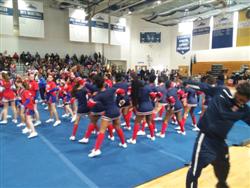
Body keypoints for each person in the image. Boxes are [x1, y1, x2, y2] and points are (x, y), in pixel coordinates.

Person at [186, 82, 250, 188]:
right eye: (240, 99)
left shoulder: (244, 110)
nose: (241, 103)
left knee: (224, 166)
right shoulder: (222, 92)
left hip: (220, 142)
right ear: (237, 93)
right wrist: (186, 82)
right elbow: (205, 87)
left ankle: (221, 184)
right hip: (205, 139)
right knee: (195, 170)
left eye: (245, 101)